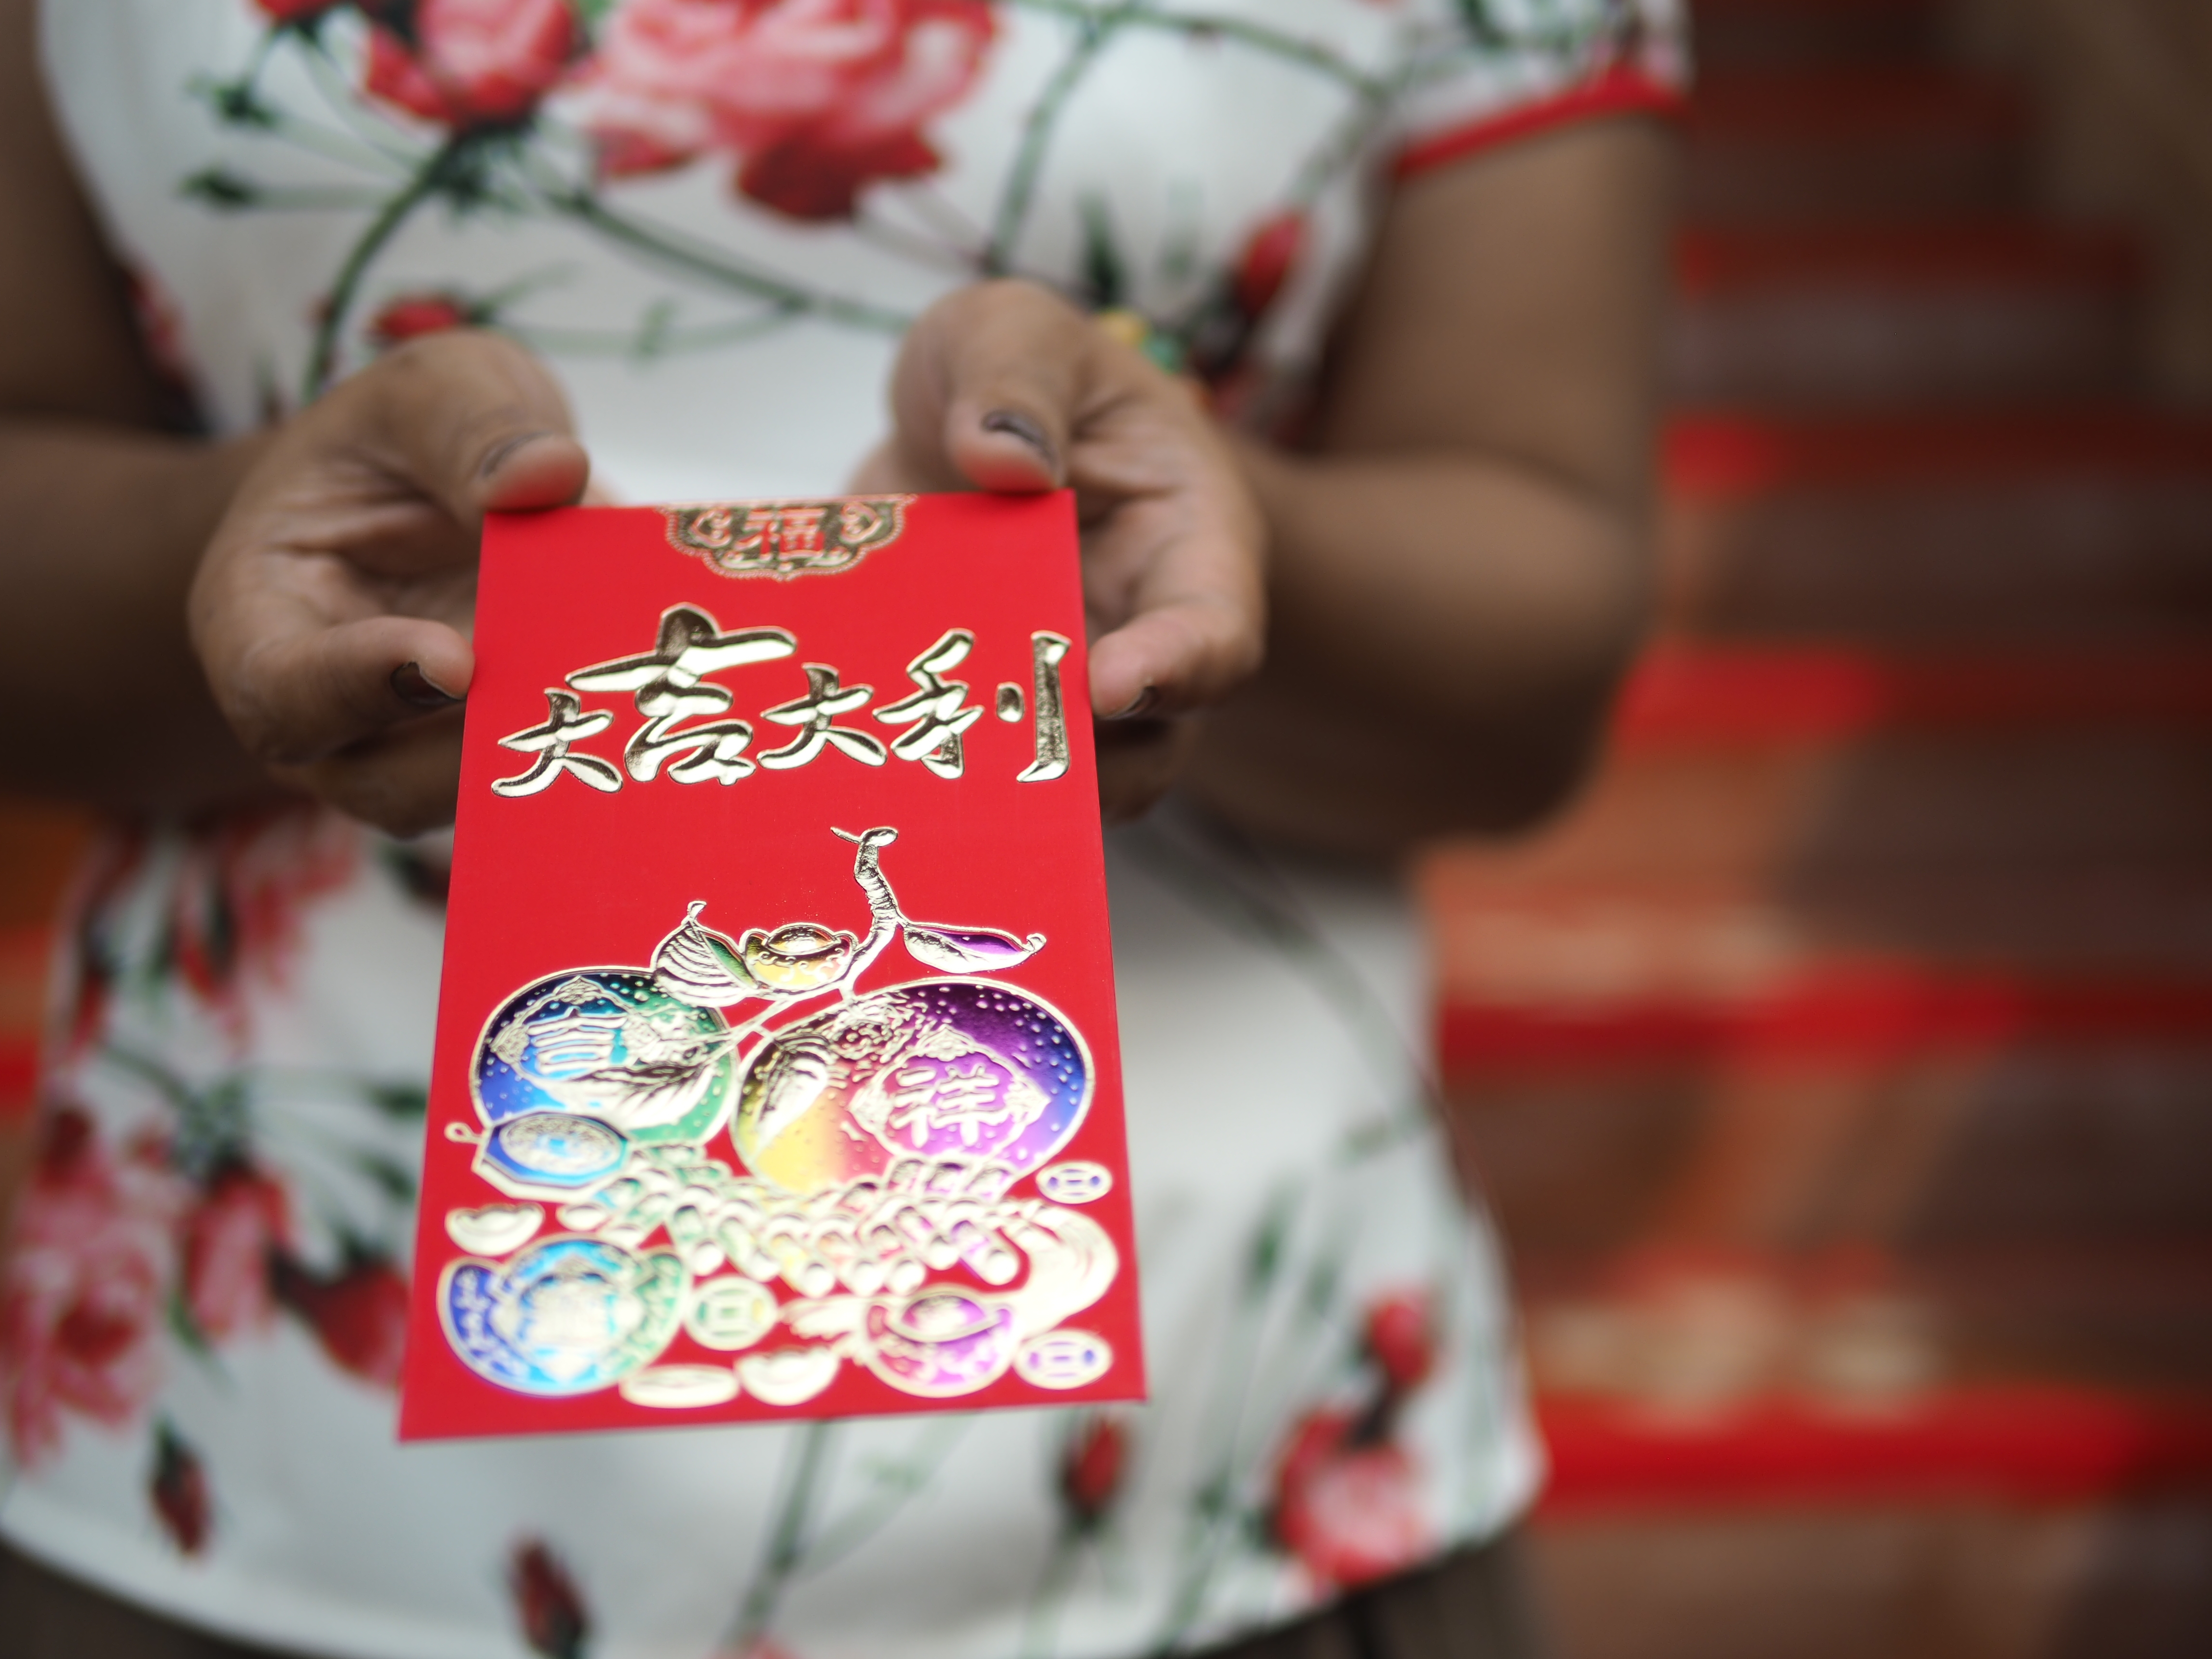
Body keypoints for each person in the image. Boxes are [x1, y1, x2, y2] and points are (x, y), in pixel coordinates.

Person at [0, 2, 1681, 1656]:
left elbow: (1529, 634)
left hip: (1225, 1426)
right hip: (255, 1440)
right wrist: (233, 555)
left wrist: (1171, 541)